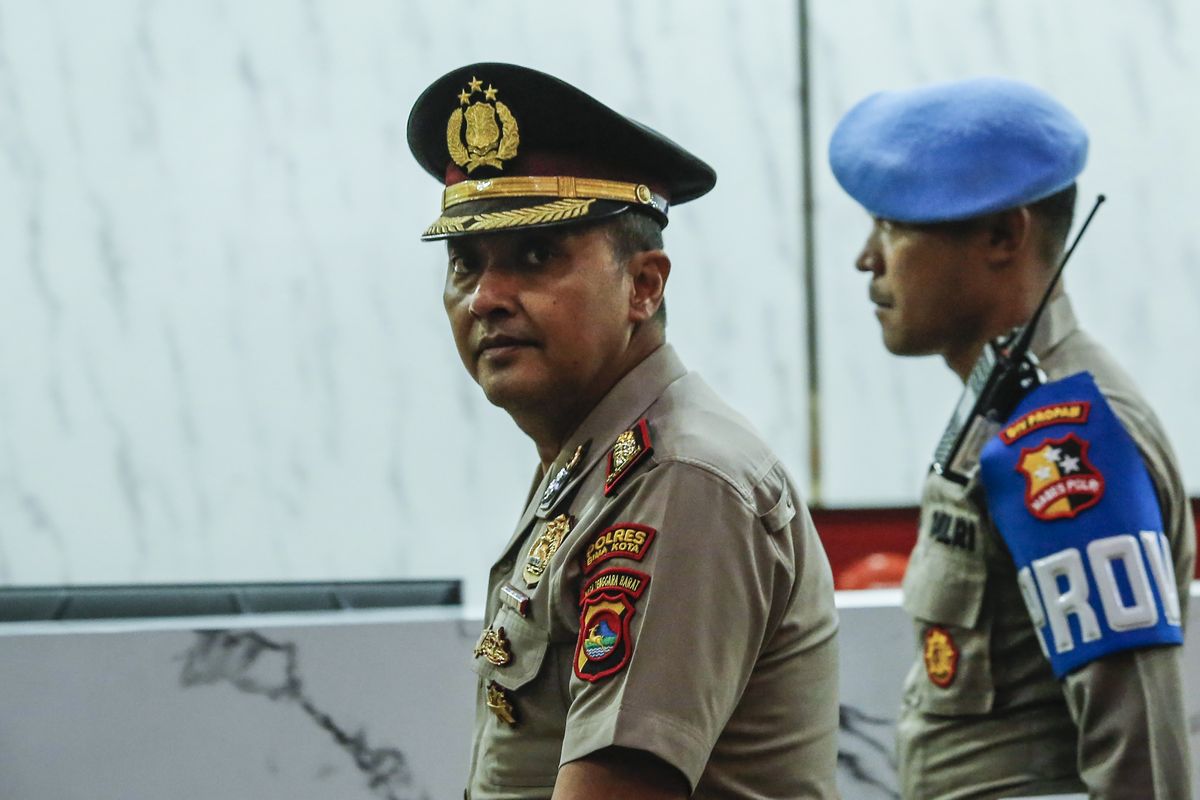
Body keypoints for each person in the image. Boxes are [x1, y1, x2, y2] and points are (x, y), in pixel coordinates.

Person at [407, 63, 840, 800]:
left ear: (643, 286)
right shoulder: (596, 460)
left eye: (536, 255)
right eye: (465, 263)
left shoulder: (680, 478)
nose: (485, 298)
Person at [829, 77, 1195, 799]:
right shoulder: (1009, 403)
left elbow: (1140, 747)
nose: (867, 259)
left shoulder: (1063, 441)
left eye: (894, 228)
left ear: (1003, 237)